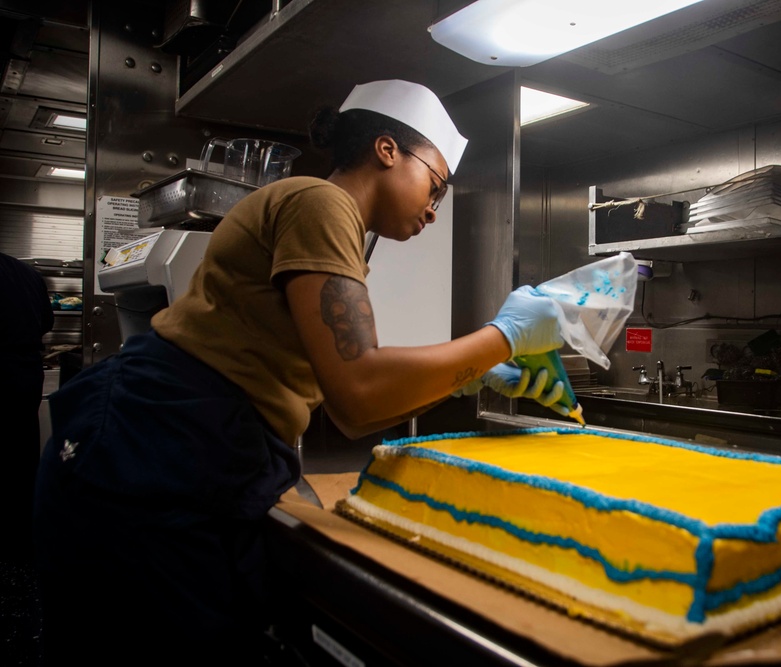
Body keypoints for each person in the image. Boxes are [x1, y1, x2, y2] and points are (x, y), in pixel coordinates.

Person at [34, 79, 568, 664]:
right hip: (152, 442)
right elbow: (359, 392)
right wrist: (502, 339)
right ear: (387, 150)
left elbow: (343, 395)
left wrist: (465, 375)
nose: (434, 210)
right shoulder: (321, 202)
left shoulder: (334, 222)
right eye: (435, 184)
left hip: (191, 442)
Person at [0, 252, 54, 563]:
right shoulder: (26, 273)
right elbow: (47, 321)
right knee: (20, 455)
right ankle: (21, 541)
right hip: (26, 374)